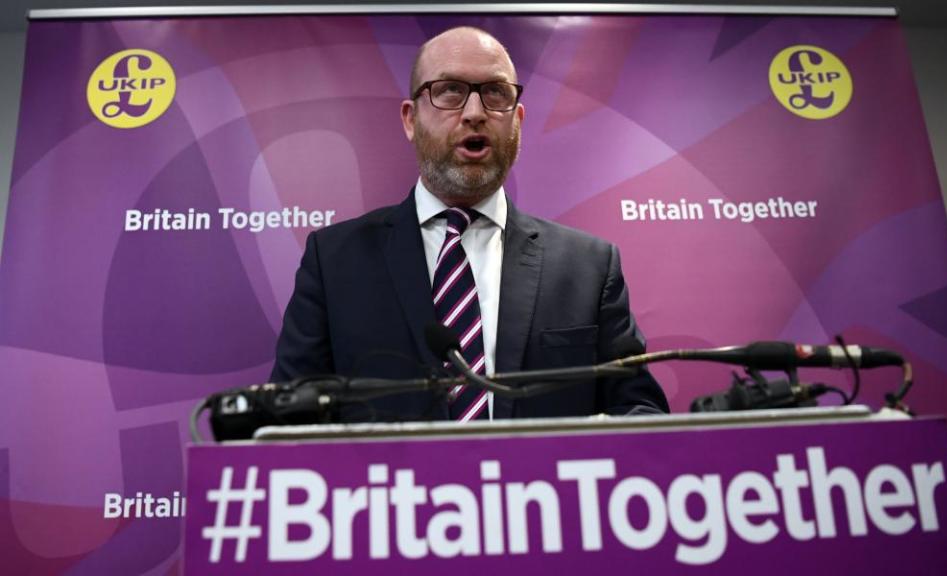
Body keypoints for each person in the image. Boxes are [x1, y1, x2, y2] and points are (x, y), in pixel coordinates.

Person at [271, 26, 668, 422]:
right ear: (411, 119)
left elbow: (639, 410)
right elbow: (287, 419)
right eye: (449, 91)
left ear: (518, 120)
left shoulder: (589, 267)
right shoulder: (335, 260)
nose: (475, 113)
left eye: (495, 93)